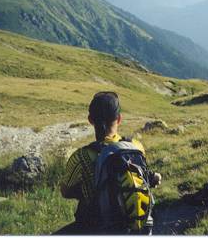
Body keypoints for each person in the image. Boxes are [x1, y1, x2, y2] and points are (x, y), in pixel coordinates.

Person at [55, 91, 161, 235]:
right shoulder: (136, 147)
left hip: (97, 228)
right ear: (119, 119)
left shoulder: (81, 156)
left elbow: (65, 191)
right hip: (136, 225)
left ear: (90, 120)